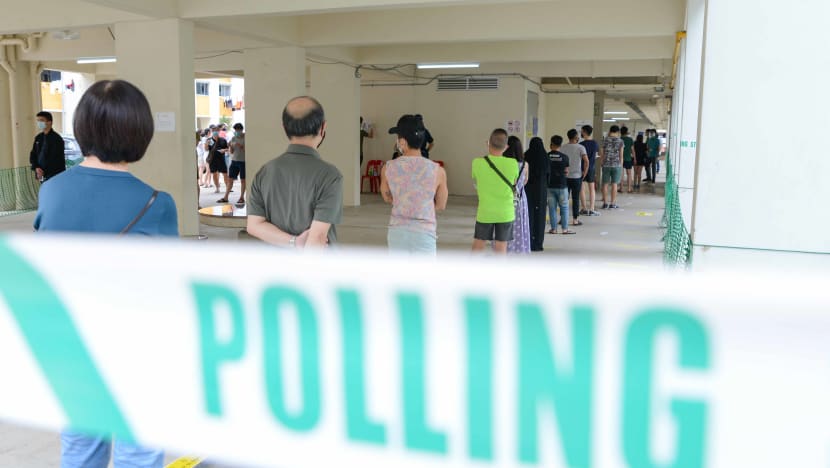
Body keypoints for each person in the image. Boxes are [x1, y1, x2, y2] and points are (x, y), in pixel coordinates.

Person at [34, 79, 176, 468]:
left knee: (81, 449)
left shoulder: (52, 192)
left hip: (70, 346)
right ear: (140, 133)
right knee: (139, 451)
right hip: (136, 348)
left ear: (83, 129)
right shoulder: (156, 203)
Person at [247, 96, 343, 248]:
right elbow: (317, 238)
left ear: (284, 128)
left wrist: (294, 242)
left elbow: (254, 225)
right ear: (323, 127)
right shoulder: (330, 175)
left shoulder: (265, 171)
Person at [380, 114, 448, 254]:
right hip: (424, 234)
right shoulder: (438, 171)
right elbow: (441, 205)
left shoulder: (388, 168)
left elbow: (387, 197)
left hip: (397, 232)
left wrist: (404, 202)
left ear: (402, 142)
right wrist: (420, 206)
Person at [471, 128, 518, 255]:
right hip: (505, 212)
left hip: (485, 211)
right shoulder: (513, 163)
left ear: (488, 143)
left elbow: (475, 179)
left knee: (478, 244)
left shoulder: (477, 163)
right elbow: (514, 181)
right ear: (506, 146)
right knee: (501, 247)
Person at [504, 135, 530, 254]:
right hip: (520, 198)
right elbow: (525, 181)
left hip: (504, 198)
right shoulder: (524, 164)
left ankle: (504, 248)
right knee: (519, 224)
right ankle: (519, 248)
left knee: (504, 224)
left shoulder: (503, 164)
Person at [523, 137, 549, 251]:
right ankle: (538, 243)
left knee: (529, 214)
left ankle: (528, 241)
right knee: (540, 215)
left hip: (528, 189)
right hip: (541, 191)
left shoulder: (526, 155)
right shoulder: (545, 157)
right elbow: (549, 174)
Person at [559, 129, 589, 226]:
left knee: (564, 198)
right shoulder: (581, 147)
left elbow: (561, 161)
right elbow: (586, 161)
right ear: (576, 137)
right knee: (576, 198)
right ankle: (575, 219)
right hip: (577, 176)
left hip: (565, 176)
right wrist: (585, 172)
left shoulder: (563, 147)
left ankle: (562, 219)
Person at [547, 135, 574, 235]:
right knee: (564, 207)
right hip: (562, 185)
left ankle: (553, 229)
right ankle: (565, 229)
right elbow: (566, 171)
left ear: (551, 144)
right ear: (560, 144)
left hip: (550, 186)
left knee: (552, 208)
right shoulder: (564, 157)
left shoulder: (547, 156)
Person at [29, 111, 65, 182]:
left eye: (41, 120)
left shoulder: (57, 139)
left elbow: (55, 159)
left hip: (54, 175)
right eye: (38, 121)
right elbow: (33, 154)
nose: (39, 123)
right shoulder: (38, 138)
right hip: (40, 173)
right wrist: (36, 167)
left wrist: (43, 171)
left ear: (50, 122)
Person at [219, 123, 246, 205]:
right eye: (236, 130)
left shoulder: (246, 138)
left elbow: (247, 150)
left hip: (243, 161)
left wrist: (240, 145)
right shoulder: (233, 138)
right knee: (230, 179)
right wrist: (230, 146)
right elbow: (231, 151)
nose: (237, 131)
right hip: (234, 161)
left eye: (238, 130)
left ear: (241, 130)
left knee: (243, 180)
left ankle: (241, 197)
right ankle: (225, 197)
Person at [600, 125, 624, 209]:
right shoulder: (620, 141)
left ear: (610, 131)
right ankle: (613, 203)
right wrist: (621, 165)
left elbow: (602, 154)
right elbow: (621, 155)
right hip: (616, 165)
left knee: (605, 184)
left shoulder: (605, 140)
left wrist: (602, 162)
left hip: (606, 164)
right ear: (618, 132)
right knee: (614, 184)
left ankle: (605, 203)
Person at [579, 125, 600, 216]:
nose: (581, 132)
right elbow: (596, 155)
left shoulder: (581, 144)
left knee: (582, 188)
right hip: (591, 167)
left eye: (581, 131)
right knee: (592, 188)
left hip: (582, 168)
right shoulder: (595, 143)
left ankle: (584, 208)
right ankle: (591, 208)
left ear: (584, 132)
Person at [205, 125, 229, 194]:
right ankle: (217, 187)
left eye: (217, 131)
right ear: (212, 132)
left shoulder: (223, 140)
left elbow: (227, 149)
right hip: (213, 160)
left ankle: (228, 187)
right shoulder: (209, 140)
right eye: (214, 131)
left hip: (221, 159)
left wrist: (224, 150)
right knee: (214, 174)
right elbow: (206, 149)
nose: (215, 132)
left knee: (225, 174)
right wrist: (206, 144)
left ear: (219, 132)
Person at [620, 126, 634, 193]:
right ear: (627, 132)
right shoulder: (630, 139)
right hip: (628, 158)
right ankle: (629, 188)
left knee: (621, 174)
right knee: (629, 174)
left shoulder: (619, 139)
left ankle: (621, 188)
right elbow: (632, 150)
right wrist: (634, 157)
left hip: (620, 159)